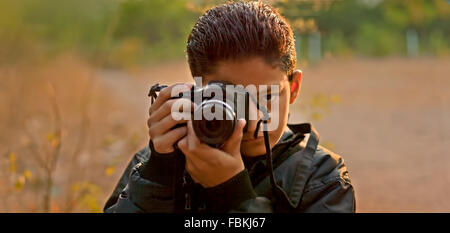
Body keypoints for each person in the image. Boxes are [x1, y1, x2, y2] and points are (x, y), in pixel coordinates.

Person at [104, 1, 355, 213]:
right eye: (230, 98)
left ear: (294, 87)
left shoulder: (320, 177)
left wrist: (232, 194)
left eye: (266, 96)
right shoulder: (160, 161)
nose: (251, 119)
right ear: (199, 91)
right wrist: (157, 174)